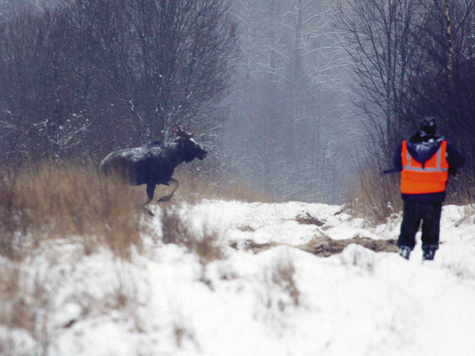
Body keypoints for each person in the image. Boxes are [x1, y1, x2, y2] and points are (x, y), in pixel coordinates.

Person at [392, 117, 465, 261]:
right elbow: (460, 161)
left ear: (420, 128)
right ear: (435, 130)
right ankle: (429, 252)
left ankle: (405, 249)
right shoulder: (443, 146)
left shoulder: (406, 145)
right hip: (433, 195)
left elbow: (396, 164)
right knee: (431, 224)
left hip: (411, 194)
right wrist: (449, 165)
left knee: (409, 223)